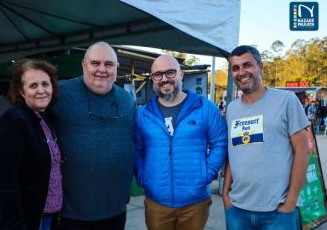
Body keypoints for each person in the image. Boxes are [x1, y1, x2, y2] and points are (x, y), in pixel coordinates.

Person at [134, 54, 228, 230]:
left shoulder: (205, 108)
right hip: (157, 202)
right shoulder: (143, 114)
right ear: (152, 78)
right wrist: (143, 176)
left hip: (195, 202)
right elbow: (138, 150)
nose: (164, 79)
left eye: (170, 72)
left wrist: (206, 174)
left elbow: (219, 143)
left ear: (181, 74)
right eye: (158, 74)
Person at [50, 41, 136, 230]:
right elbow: (26, 115)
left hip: (115, 209)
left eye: (109, 64)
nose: (102, 69)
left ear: (117, 68)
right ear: (84, 65)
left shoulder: (127, 100)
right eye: (95, 63)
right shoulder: (60, 92)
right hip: (71, 213)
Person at [223, 45, 309, 229]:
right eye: (235, 68)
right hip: (238, 209)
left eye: (247, 65)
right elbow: (233, 152)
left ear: (260, 67)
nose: (241, 72)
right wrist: (225, 194)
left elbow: (302, 152)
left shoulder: (286, 101)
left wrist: (290, 202)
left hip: (278, 212)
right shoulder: (232, 109)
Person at [0, 59, 63, 230]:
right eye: (33, 86)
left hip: (44, 216)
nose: (41, 90)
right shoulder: (14, 120)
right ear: (21, 91)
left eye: (45, 84)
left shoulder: (44, 118)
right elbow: (4, 182)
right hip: (19, 221)